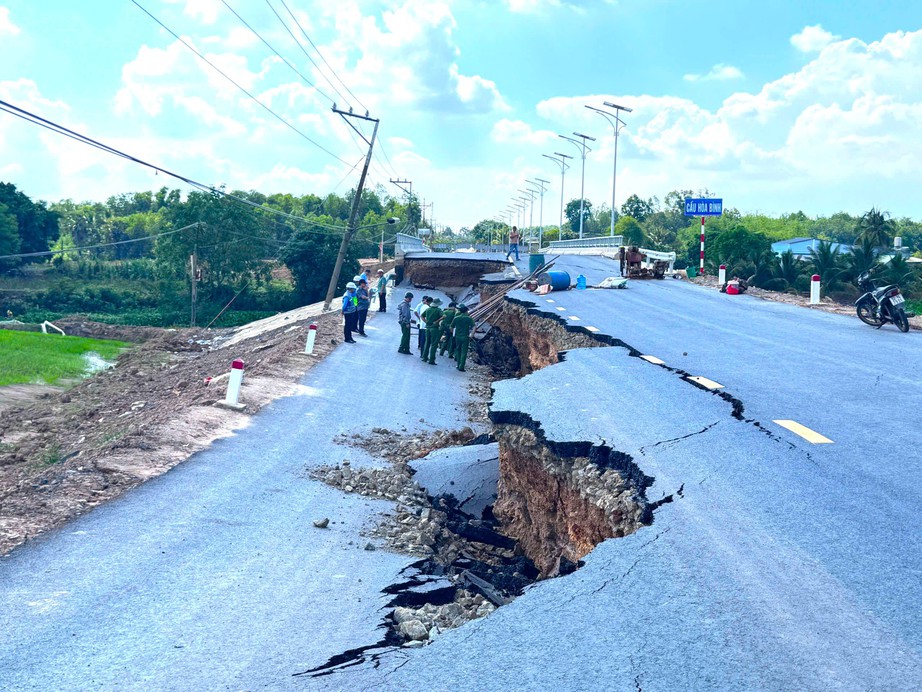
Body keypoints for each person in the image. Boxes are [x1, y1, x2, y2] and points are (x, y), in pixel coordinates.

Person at [451, 304, 475, 372]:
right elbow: (474, 327)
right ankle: (461, 366)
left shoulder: (456, 318)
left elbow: (451, 327)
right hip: (465, 336)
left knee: (458, 350)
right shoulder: (469, 318)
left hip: (457, 336)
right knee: (464, 351)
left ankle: (458, 364)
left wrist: (453, 334)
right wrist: (471, 335)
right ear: (466, 311)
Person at [422, 297, 444, 365]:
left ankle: (424, 357)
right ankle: (431, 360)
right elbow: (444, 316)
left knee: (427, 343)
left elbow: (422, 316)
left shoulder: (428, 309)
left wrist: (426, 322)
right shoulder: (438, 310)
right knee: (434, 344)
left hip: (428, 328)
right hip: (434, 328)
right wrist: (437, 321)